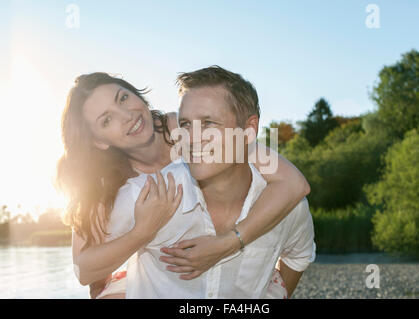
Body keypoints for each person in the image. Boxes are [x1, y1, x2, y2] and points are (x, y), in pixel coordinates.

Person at [56, 71, 311, 298]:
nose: (126, 116)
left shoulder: (185, 128)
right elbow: (86, 271)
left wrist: (229, 243)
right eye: (106, 120)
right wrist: (143, 232)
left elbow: (293, 183)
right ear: (99, 141)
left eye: (123, 98)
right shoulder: (107, 187)